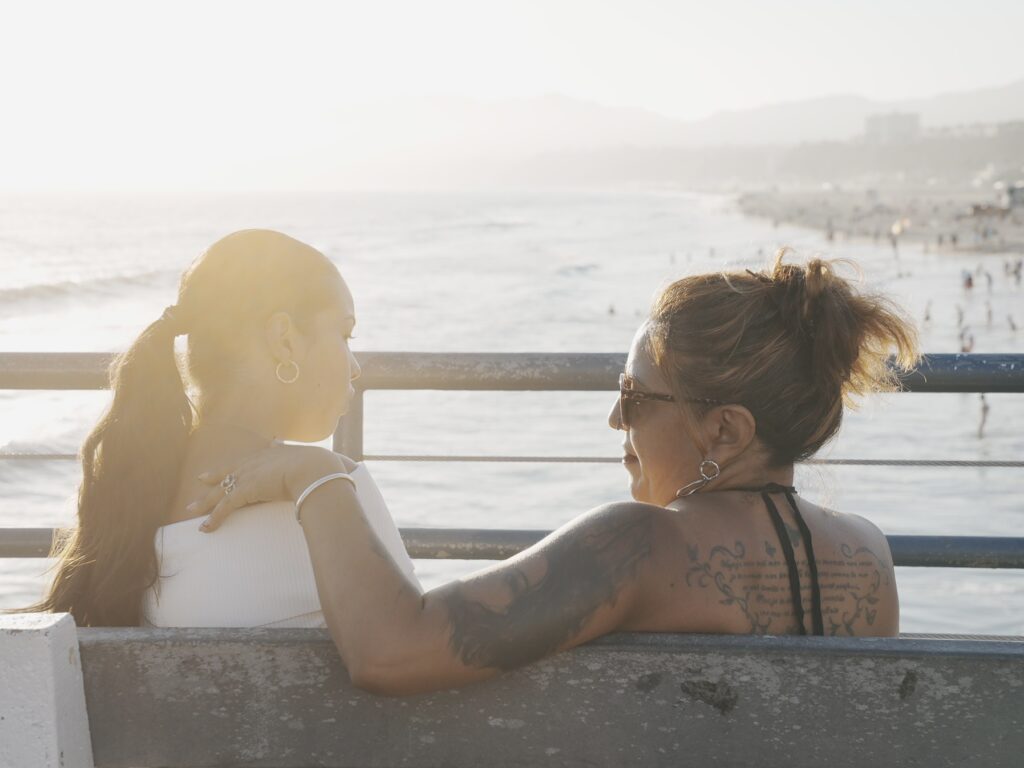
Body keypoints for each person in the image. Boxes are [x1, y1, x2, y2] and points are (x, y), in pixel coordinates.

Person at [191, 252, 919, 696]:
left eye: (635, 397)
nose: (614, 421)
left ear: (724, 430)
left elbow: (391, 652)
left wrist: (319, 478)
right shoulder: (869, 556)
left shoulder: (642, 547)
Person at [26, 230, 415, 627]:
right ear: (284, 341)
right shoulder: (334, 493)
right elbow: (411, 642)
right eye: (344, 334)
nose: (354, 367)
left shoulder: (130, 501)